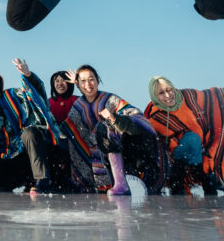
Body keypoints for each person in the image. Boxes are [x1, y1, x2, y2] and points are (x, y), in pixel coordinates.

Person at [64, 65, 166, 195]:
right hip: (98, 157)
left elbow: (136, 118)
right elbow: (71, 131)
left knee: (105, 127)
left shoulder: (110, 99)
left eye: (91, 79)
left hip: (127, 150)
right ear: (78, 84)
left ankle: (121, 183)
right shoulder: (78, 107)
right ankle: (105, 183)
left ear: (97, 81)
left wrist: (114, 119)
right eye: (83, 81)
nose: (88, 84)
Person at [143, 73, 224, 195]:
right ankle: (185, 184)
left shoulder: (188, 97)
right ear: (155, 96)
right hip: (178, 167)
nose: (167, 95)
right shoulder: (155, 117)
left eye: (169, 90)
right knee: (192, 139)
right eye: (161, 93)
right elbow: (154, 149)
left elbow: (212, 97)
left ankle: (207, 178)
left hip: (203, 154)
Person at [0, 59, 65, 194]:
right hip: (8, 161)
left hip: (29, 153)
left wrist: (28, 75)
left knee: (31, 132)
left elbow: (35, 94)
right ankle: (1, 184)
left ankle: (41, 180)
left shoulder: (12, 95)